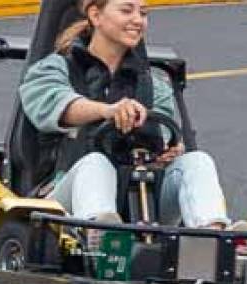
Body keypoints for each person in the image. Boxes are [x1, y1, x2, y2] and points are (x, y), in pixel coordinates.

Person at [19, 0, 232, 230]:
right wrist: (106, 110)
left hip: (142, 198)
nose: (138, 20)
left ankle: (213, 237)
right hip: (65, 199)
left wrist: (168, 151)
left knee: (197, 161)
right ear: (95, 15)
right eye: (126, 10)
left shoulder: (153, 85)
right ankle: (102, 238)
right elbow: (56, 106)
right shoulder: (51, 70)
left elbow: (162, 129)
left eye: (143, 13)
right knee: (95, 164)